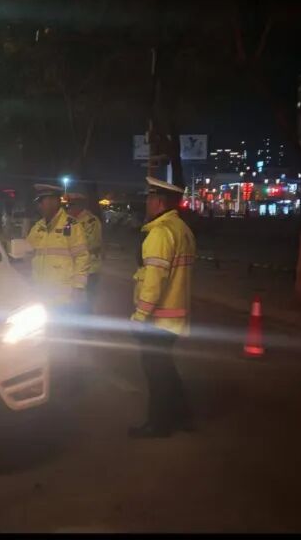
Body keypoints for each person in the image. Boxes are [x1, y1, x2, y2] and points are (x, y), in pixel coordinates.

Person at [128, 176, 196, 439]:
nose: (146, 203)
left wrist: (140, 316)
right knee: (165, 368)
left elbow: (154, 281)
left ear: (159, 202)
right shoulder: (183, 229)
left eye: (149, 198)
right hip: (175, 315)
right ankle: (184, 416)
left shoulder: (160, 233)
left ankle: (159, 424)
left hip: (157, 318)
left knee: (156, 373)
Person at [26, 184, 90, 309]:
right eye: (38, 202)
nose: (39, 206)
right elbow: (27, 253)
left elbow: (82, 258)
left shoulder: (71, 226)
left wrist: (78, 287)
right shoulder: (37, 227)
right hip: (39, 297)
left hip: (63, 300)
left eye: (42, 201)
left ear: (54, 202)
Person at [66, 192, 103, 310]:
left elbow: (92, 243)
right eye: (68, 205)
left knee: (86, 301)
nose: (69, 208)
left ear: (80, 205)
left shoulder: (91, 221)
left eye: (72, 205)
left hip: (90, 268)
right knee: (74, 300)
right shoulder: (69, 222)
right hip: (74, 267)